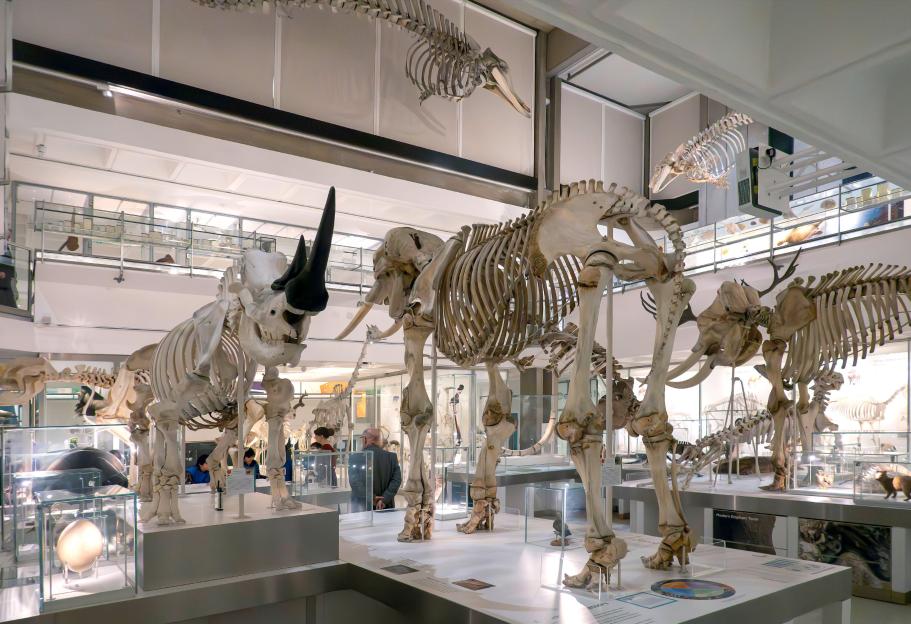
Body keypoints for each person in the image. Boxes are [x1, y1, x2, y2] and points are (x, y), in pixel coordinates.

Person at [349, 427, 401, 511]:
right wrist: (384, 499)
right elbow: (396, 480)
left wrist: (371, 497)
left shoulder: (354, 458)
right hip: (385, 506)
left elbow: (355, 482)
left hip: (362, 507)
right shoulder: (392, 457)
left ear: (365, 439)